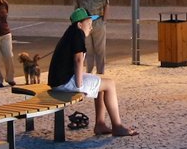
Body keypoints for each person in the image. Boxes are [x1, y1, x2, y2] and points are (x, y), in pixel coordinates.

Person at [49, 8, 137, 136]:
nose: (91, 27)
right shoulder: (78, 34)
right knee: (110, 84)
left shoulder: (70, 34)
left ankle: (100, 124)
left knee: (100, 83)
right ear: (80, 24)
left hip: (59, 81)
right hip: (64, 82)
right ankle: (117, 126)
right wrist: (79, 84)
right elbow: (78, 59)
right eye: (89, 24)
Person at [71, 0, 110, 75]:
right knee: (87, 49)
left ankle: (100, 73)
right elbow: (76, 7)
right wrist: (77, 23)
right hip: (84, 23)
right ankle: (89, 72)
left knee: (100, 50)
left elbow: (106, 4)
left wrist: (104, 20)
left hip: (98, 21)